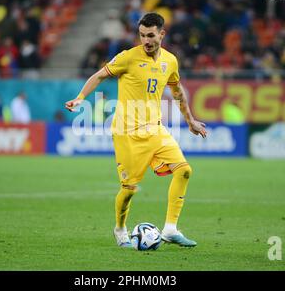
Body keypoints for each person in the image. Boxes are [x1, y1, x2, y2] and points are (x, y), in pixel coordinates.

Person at [65, 13, 207, 248]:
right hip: (127, 133)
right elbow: (100, 75)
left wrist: (190, 120)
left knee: (184, 171)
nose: (146, 41)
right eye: (142, 35)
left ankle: (170, 229)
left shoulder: (170, 61)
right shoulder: (128, 57)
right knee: (129, 189)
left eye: (150, 35)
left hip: (156, 129)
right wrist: (81, 98)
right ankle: (120, 230)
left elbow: (178, 91)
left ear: (162, 34)